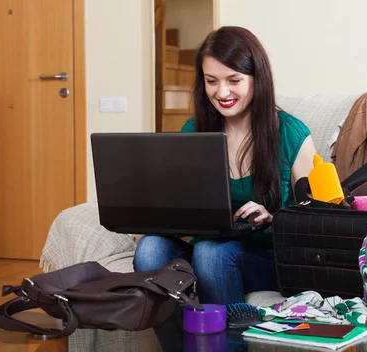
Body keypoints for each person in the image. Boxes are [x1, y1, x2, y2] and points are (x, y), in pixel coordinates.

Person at [133, 26, 317, 349]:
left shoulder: (290, 133)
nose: (222, 92)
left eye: (234, 80)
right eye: (211, 81)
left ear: (257, 78)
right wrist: (153, 218)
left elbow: (316, 220)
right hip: (207, 249)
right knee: (150, 248)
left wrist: (274, 218)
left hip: (265, 258)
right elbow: (175, 203)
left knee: (211, 253)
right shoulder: (194, 132)